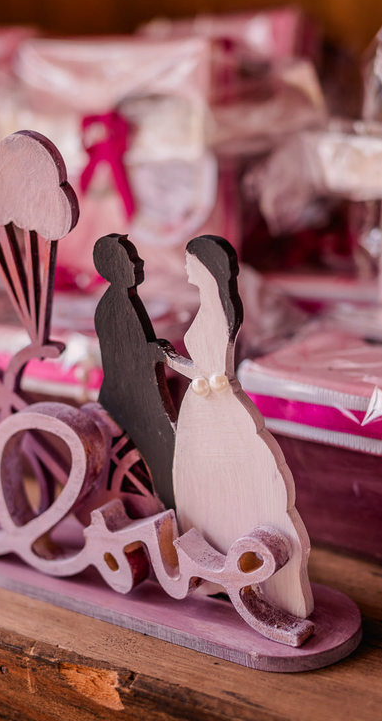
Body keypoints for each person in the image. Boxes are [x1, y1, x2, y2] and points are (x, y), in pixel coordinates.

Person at [165, 235, 313, 619]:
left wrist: (169, 359)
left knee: (228, 484)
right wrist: (170, 359)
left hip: (215, 410)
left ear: (205, 267)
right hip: (204, 404)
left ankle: (243, 569)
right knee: (207, 488)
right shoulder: (210, 308)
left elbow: (211, 368)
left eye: (189, 261)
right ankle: (215, 571)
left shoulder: (215, 312)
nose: (183, 268)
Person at [91, 234, 179, 509]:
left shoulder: (127, 302)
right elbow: (123, 358)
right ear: (112, 266)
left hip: (138, 393)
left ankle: (172, 507)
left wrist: (154, 350)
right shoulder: (113, 307)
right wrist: (154, 351)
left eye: (135, 256)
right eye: (130, 258)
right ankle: (170, 511)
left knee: (168, 448)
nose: (139, 262)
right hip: (128, 399)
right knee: (163, 452)